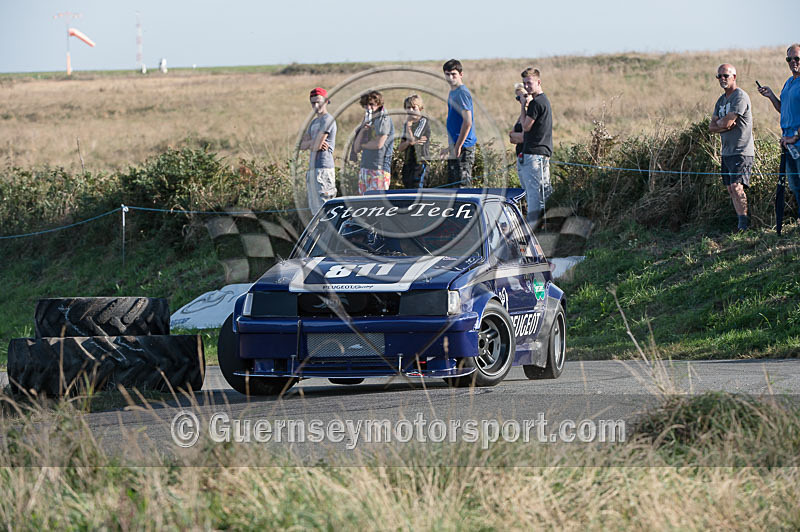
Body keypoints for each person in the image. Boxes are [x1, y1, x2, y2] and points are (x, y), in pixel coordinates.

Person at [709, 64, 754, 232]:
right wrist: (723, 125)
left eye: (726, 76)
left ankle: (744, 225)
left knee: (737, 186)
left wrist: (722, 123)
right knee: (730, 188)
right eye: (719, 76)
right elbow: (712, 127)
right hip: (726, 151)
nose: (722, 79)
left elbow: (726, 123)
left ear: (734, 77)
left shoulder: (740, 97)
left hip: (741, 150)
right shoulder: (721, 100)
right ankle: (739, 223)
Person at [759, 43, 800, 218]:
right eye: (789, 59)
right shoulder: (789, 82)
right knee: (795, 184)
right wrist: (771, 96)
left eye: (797, 58)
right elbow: (784, 109)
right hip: (788, 140)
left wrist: (795, 137)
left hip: (796, 140)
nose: (793, 62)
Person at [518, 68, 553, 225]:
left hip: (534, 153)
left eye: (529, 83)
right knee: (544, 193)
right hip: (542, 153)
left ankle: (532, 231)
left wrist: (523, 105)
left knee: (533, 196)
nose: (527, 87)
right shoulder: (544, 101)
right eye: (525, 83)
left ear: (538, 82)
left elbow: (525, 126)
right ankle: (545, 227)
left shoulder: (537, 103)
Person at [299, 87, 337, 215]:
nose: (316, 105)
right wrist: (313, 142)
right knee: (315, 210)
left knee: (325, 208)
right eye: (313, 102)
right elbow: (302, 145)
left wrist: (314, 143)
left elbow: (317, 145)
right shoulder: (314, 122)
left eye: (318, 101)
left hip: (324, 168)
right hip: (313, 169)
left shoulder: (328, 119)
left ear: (326, 101)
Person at [440, 59, 477, 187]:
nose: (450, 78)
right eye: (447, 74)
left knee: (463, 186)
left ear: (461, 74)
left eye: (453, 74)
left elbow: (468, 122)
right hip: (456, 144)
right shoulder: (453, 92)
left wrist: (458, 146)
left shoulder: (462, 93)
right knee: (453, 186)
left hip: (464, 146)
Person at [353, 90, 394, 194]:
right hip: (365, 167)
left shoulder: (383, 118)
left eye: (371, 104)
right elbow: (356, 148)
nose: (369, 108)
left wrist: (363, 145)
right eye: (366, 105)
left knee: (377, 203)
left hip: (379, 168)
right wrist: (362, 130)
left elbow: (378, 144)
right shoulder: (368, 119)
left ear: (379, 104)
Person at [397, 94, 431, 189]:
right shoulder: (407, 125)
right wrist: (408, 142)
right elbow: (400, 147)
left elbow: (412, 140)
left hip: (420, 163)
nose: (411, 110)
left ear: (420, 108)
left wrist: (409, 125)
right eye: (408, 108)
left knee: (418, 190)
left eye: (414, 107)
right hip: (408, 163)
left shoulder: (423, 121)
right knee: (408, 189)